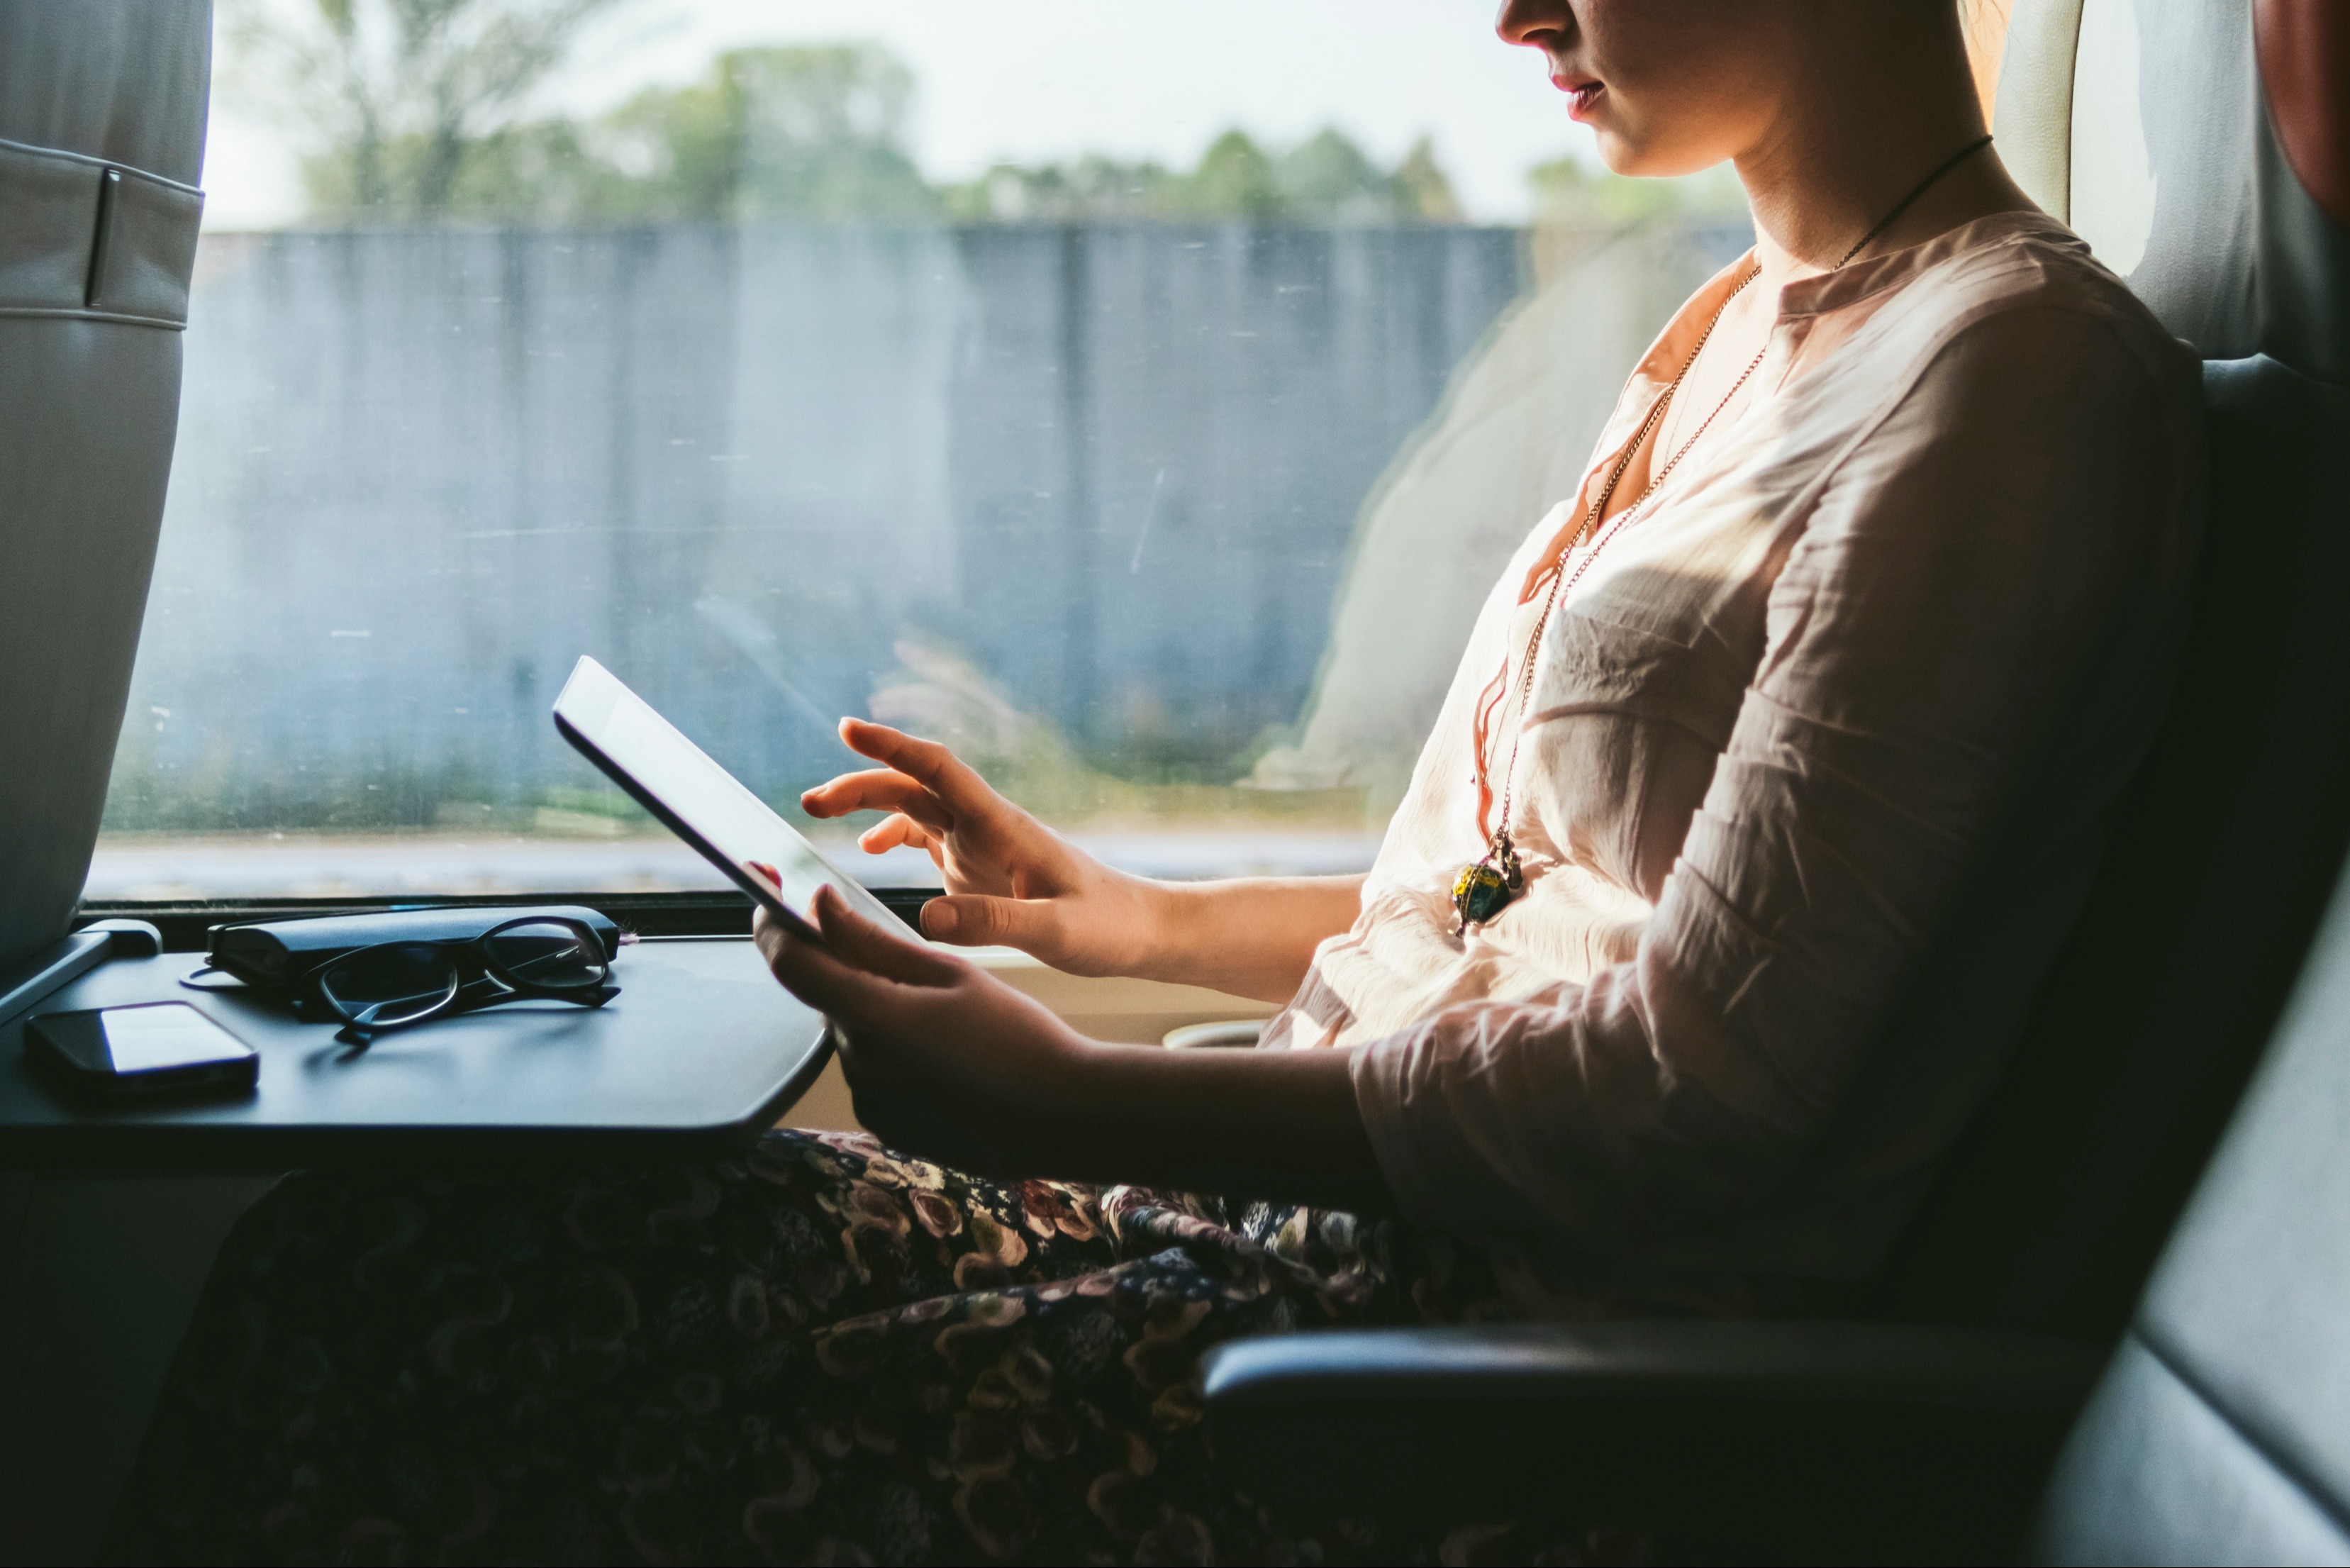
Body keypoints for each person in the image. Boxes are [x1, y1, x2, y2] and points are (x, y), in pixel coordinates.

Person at [106, 1, 2203, 1562]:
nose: (1512, 19)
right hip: (1298, 1237)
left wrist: (1078, 1087)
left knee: (406, 1312)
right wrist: (1122, 923)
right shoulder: (1743, 327)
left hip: (1470, 1376)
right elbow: (1530, 898)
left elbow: (1698, 1087)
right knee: (372, 1233)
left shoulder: (2010, 390)